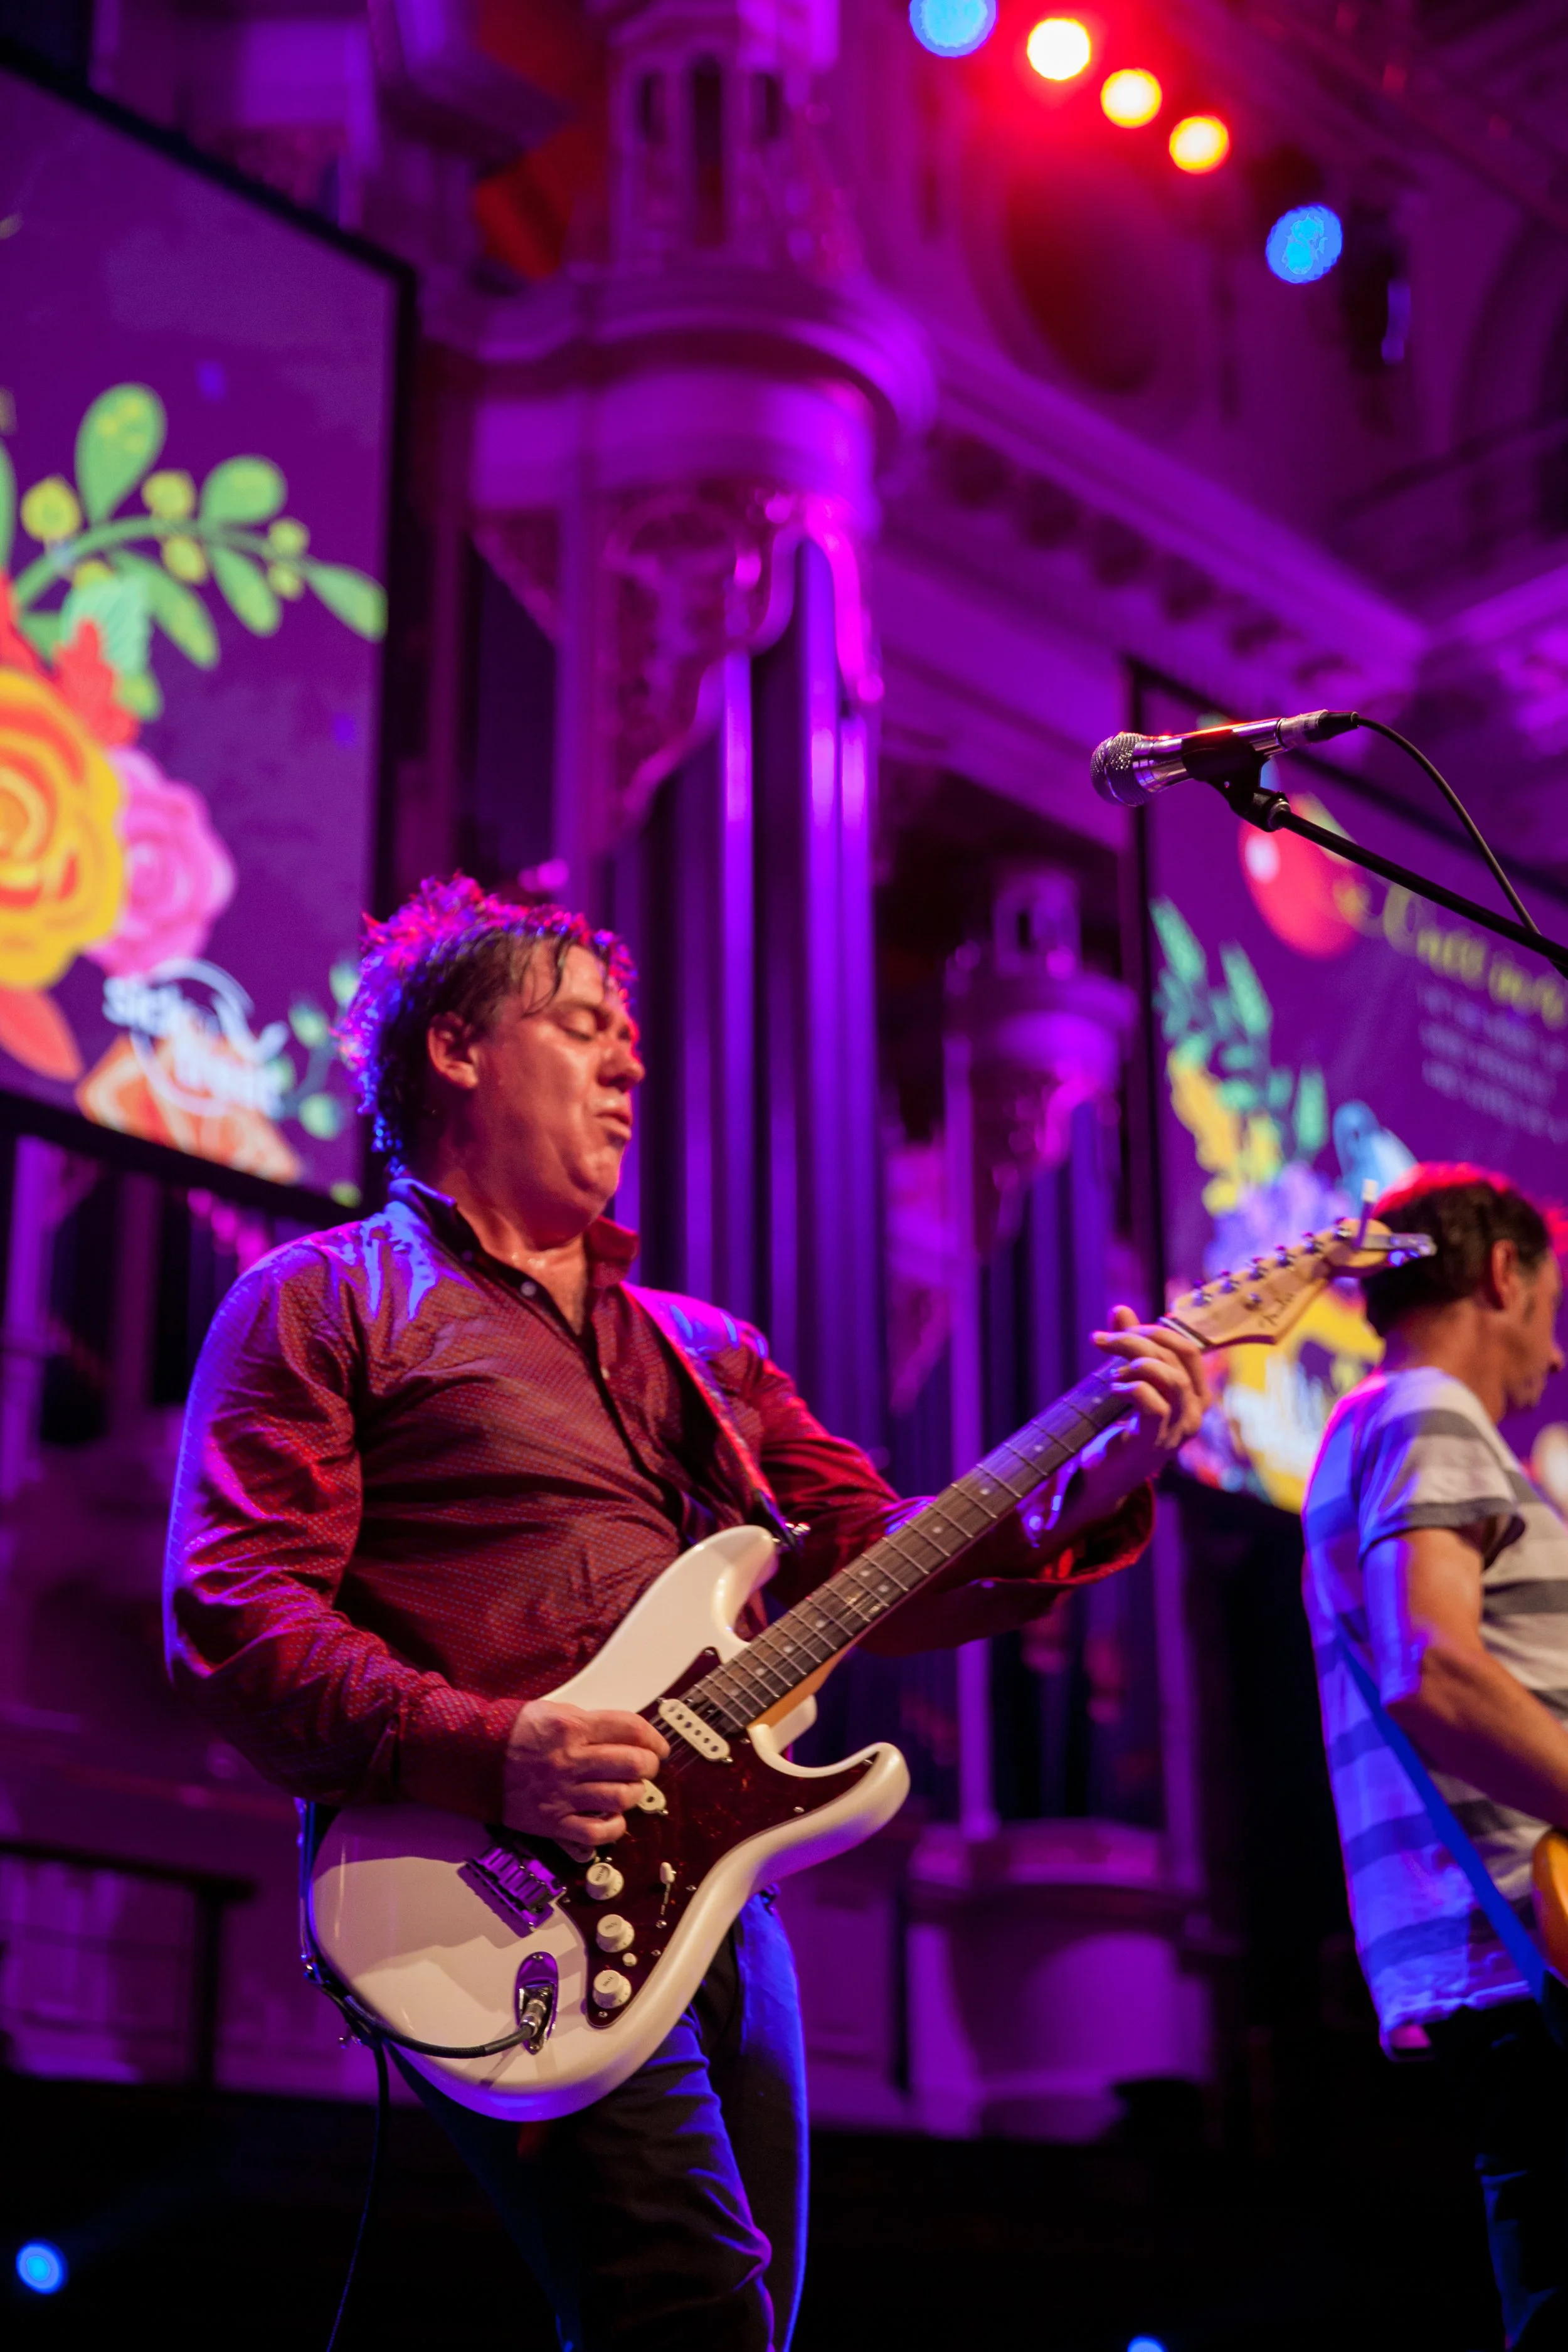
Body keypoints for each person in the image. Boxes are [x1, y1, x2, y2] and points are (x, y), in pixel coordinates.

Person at [165, 876, 1207, 2352]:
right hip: (491, 1887)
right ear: (455, 1049)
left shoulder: (705, 1353)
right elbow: (237, 1611)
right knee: (685, 2307)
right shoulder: (323, 1300)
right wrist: (491, 1749)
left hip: (720, 1890)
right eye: (583, 1026)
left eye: (632, 1038)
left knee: (744, 2320)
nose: (629, 1063)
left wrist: (1096, 1481)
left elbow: (873, 1560)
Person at [1303, 1163, 1568, 2350]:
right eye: (1554, 1310)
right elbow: (1436, 1669)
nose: (1556, 1353)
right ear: (1504, 1272)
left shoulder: (1379, 1422)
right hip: (1533, 1936)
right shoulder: (1429, 1410)